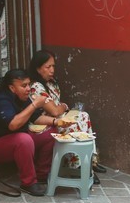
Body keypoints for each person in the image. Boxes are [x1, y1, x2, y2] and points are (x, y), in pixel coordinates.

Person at [0, 69, 73, 196]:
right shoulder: (2, 100)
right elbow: (13, 125)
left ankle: (41, 175)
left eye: (29, 84)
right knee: (24, 139)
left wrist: (57, 122)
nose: (28, 88)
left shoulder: (23, 98)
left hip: (13, 140)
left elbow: (36, 118)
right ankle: (28, 183)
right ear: (12, 88)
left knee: (50, 134)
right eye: (24, 86)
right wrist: (35, 104)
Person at [28, 50, 105, 180]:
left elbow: (56, 107)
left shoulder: (51, 83)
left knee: (84, 116)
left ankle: (91, 161)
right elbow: (55, 111)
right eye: (48, 67)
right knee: (75, 125)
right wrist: (63, 106)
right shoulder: (36, 87)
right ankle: (78, 167)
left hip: (57, 117)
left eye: (53, 66)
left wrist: (61, 108)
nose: (52, 70)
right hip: (43, 123)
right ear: (38, 68)